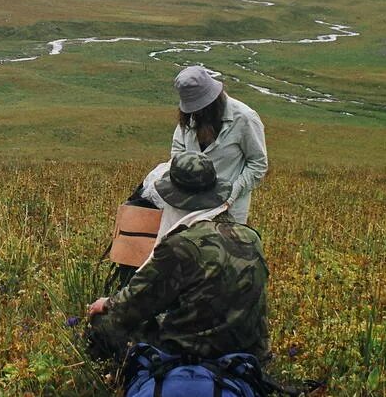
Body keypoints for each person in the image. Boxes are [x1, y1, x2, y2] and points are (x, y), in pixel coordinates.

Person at [86, 151, 270, 365]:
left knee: (103, 324)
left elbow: (133, 306)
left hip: (195, 353)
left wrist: (107, 304)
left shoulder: (179, 245)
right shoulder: (251, 236)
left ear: (173, 197)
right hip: (252, 352)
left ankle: (110, 373)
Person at [172, 66, 267, 223]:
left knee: (226, 247)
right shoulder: (190, 117)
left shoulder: (245, 118)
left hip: (228, 210)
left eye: (201, 109)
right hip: (189, 204)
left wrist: (230, 196)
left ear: (213, 102)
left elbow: (258, 164)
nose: (198, 114)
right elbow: (178, 149)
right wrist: (184, 179)